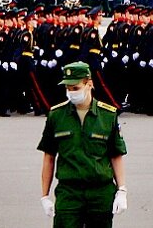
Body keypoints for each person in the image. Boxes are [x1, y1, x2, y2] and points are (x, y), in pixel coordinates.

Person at [37, 61, 128, 228]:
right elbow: (49, 157)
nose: (71, 93)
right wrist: (45, 196)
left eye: (76, 88)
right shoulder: (56, 116)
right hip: (69, 192)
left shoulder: (107, 115)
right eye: (68, 89)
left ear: (89, 84)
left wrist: (122, 190)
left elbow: (116, 155)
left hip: (100, 192)